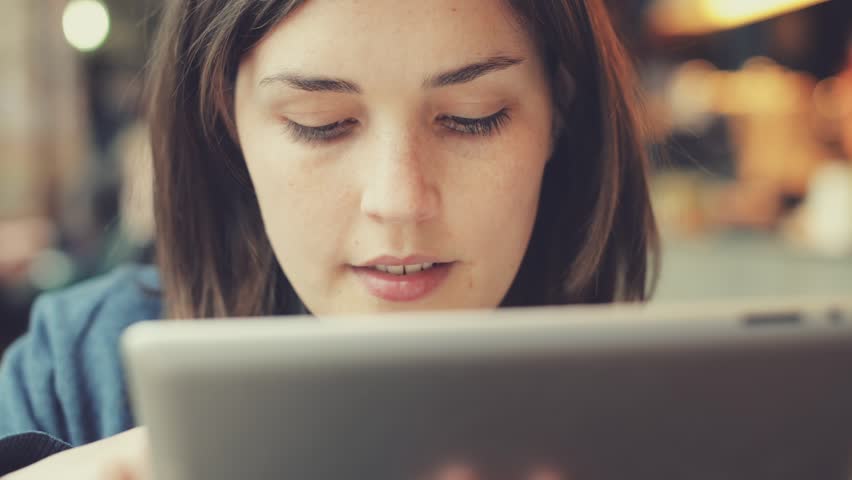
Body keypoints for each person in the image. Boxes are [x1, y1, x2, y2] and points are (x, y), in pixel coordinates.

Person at [0, 0, 659, 477]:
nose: (398, 202)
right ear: (226, 125)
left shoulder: (673, 416)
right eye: (321, 124)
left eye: (470, 119)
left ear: (559, 115)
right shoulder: (78, 373)